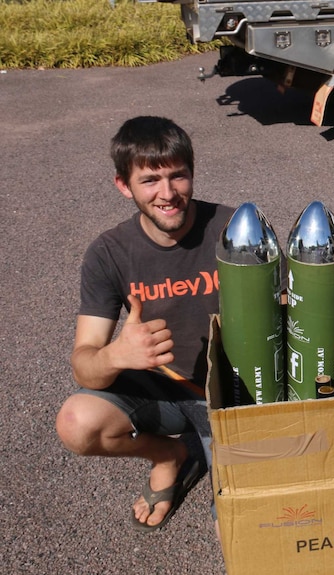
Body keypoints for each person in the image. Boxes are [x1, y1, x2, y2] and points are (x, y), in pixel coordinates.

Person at [55, 116, 233, 532]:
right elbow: (84, 364)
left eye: (178, 177)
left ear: (192, 172)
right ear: (124, 185)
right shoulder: (109, 253)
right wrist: (117, 354)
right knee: (77, 422)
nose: (168, 194)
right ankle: (169, 455)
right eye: (150, 180)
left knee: (234, 516)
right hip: (157, 390)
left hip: (226, 392)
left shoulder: (233, 228)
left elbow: (283, 309)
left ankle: (215, 456)